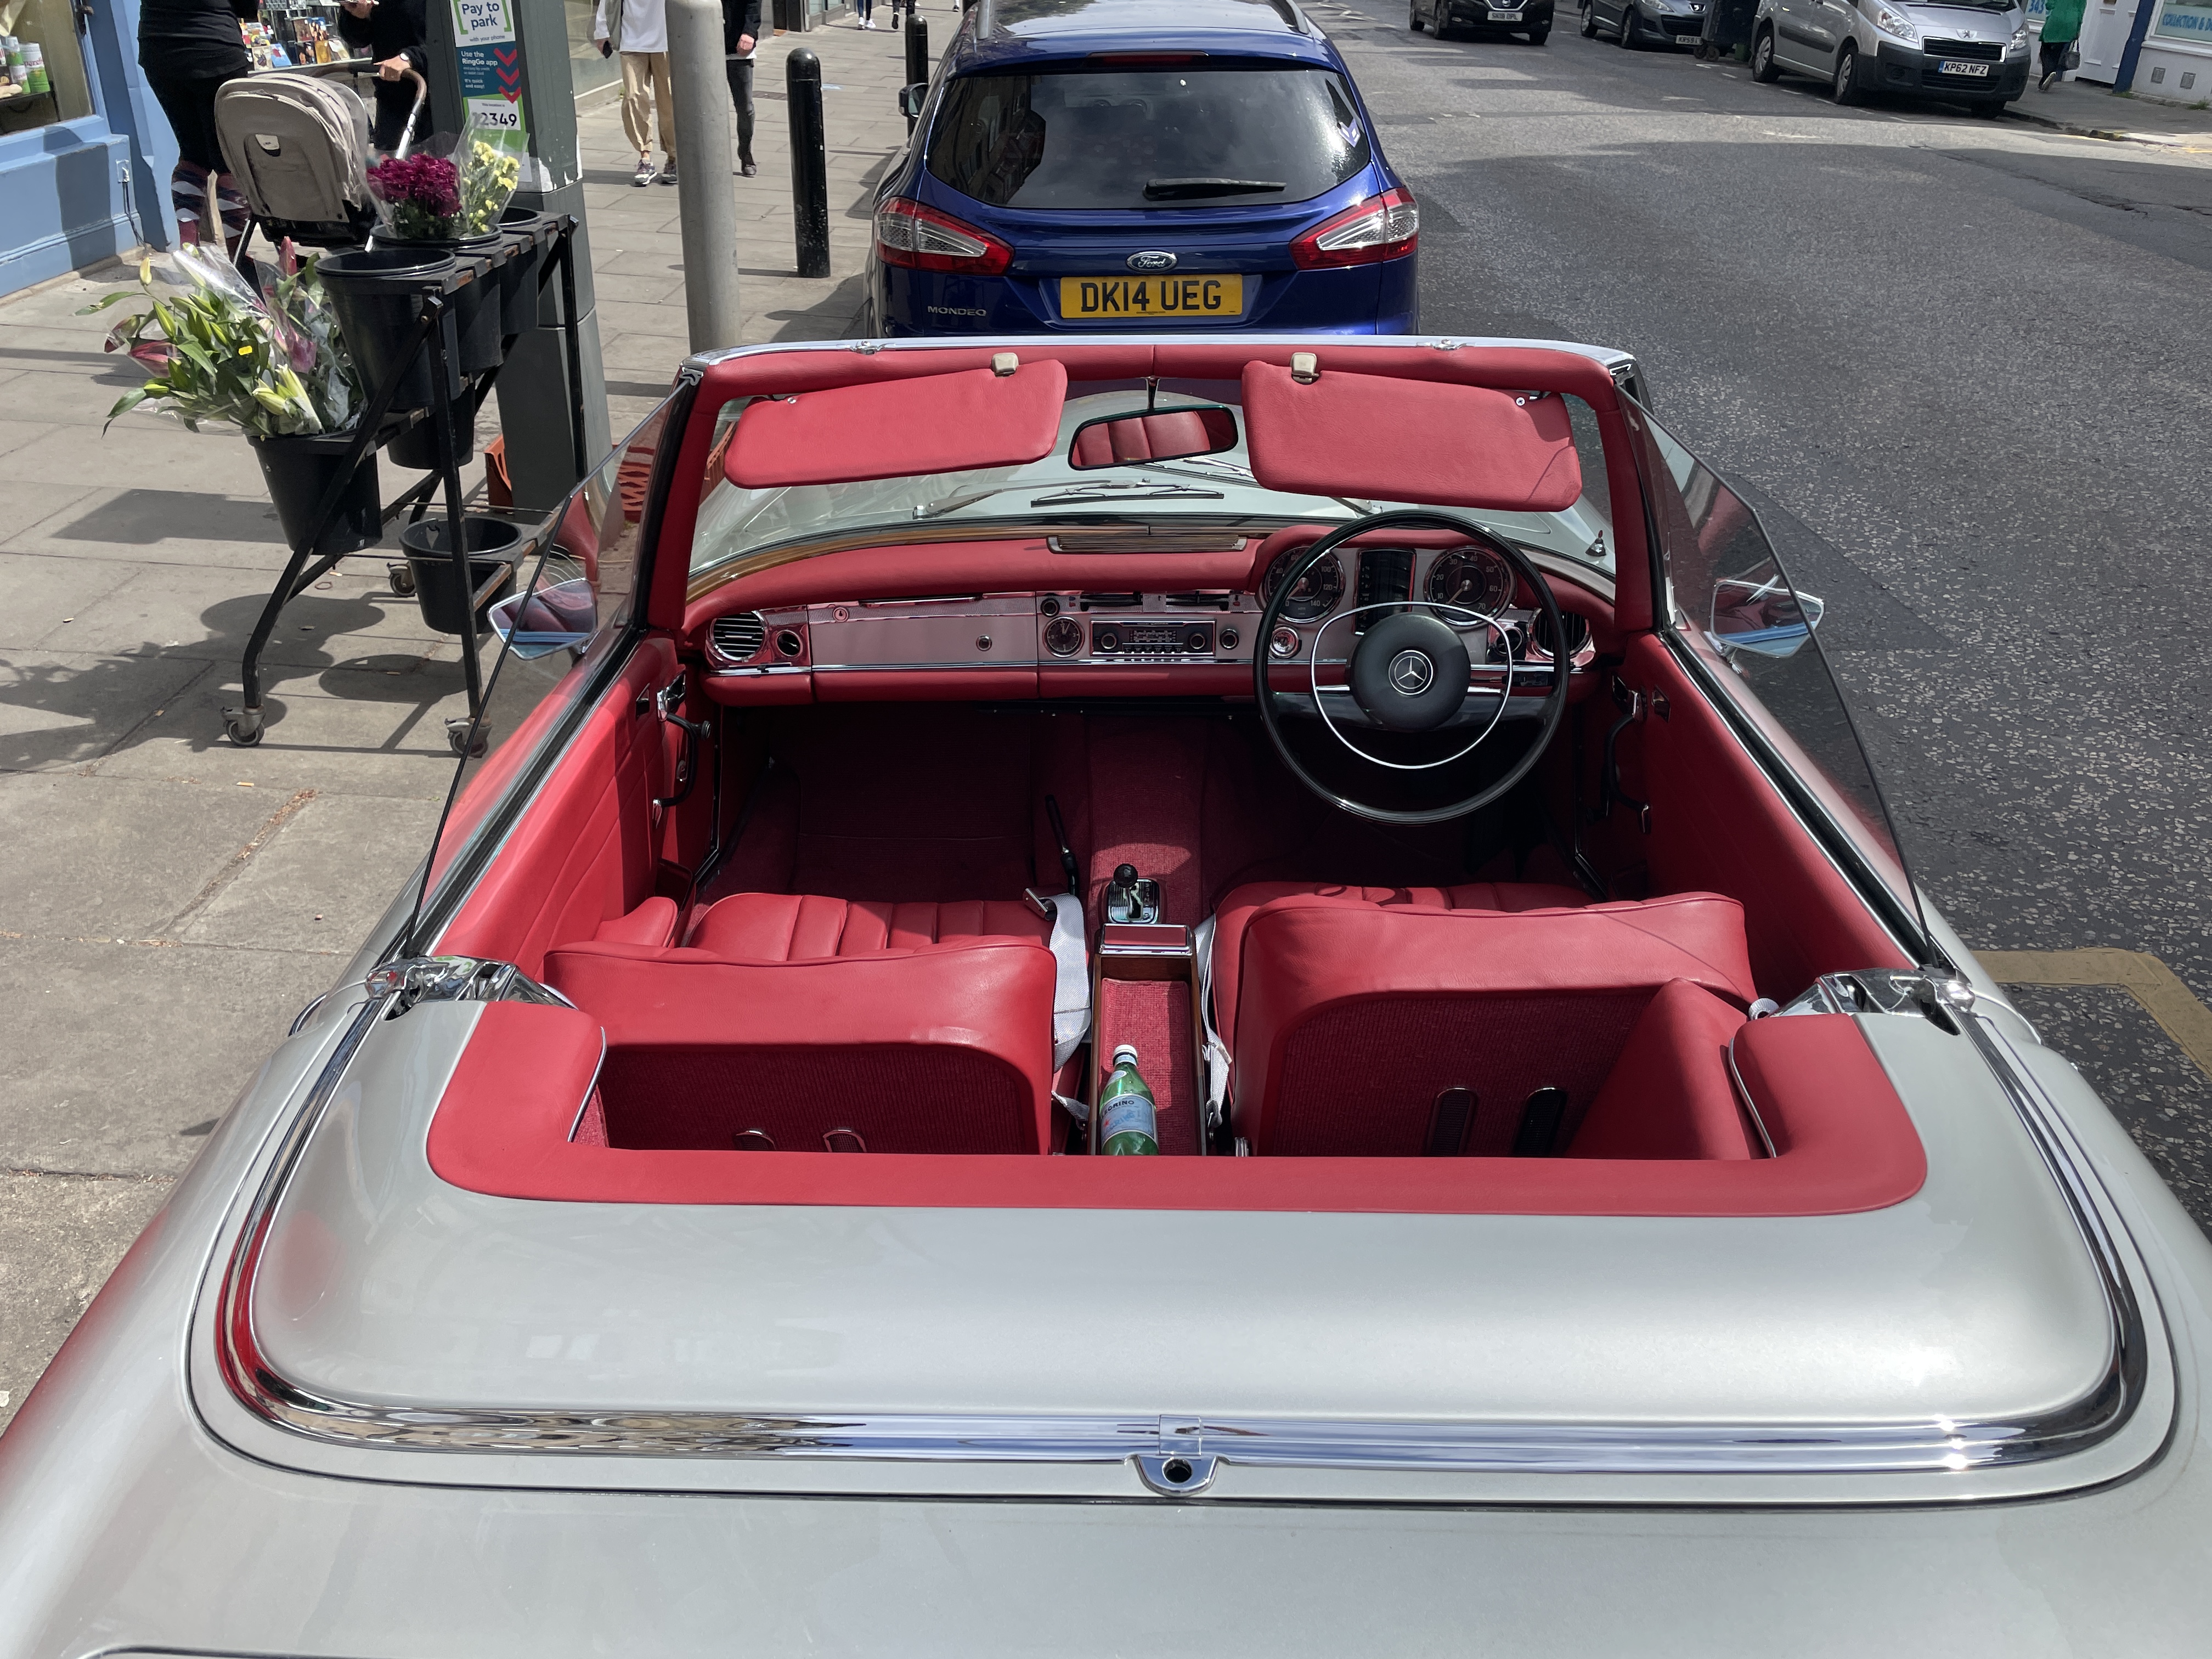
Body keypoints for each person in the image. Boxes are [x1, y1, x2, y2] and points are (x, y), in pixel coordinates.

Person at [136, 0, 258, 252]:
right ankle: (240, 257)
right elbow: (246, 6)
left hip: (159, 48)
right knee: (230, 160)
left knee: (193, 153)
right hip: (215, 45)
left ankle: (189, 246)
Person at [596, 0, 678, 186]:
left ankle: (674, 157)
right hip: (630, 39)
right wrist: (602, 31)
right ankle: (645, 157)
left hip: (666, 41)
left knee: (670, 101)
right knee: (633, 97)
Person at [336, 0, 428, 155]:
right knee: (388, 164)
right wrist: (357, 16)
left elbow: (450, 39)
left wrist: (409, 58)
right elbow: (358, 40)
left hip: (438, 94)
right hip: (391, 96)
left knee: (440, 163)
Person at [723, 0, 762, 178]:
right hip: (705, 46)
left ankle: (745, 153)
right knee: (707, 108)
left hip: (738, 49)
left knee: (745, 108)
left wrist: (749, 32)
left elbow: (753, 5)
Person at [2039, 0, 2084, 93]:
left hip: (2056, 20)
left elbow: (2049, 5)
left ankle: (2047, 75)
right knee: (2058, 54)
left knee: (2045, 51)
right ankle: (2050, 74)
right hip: (2071, 23)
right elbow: (2081, 13)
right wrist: (2078, 30)